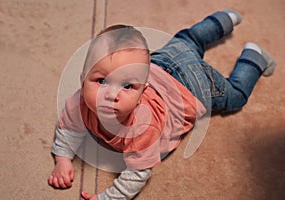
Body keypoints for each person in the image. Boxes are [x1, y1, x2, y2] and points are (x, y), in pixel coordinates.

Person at [48, 9, 276, 200]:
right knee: (188, 41)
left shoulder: (142, 129)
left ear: (142, 93)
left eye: (127, 86)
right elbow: (68, 129)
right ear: (82, 79)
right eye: (101, 81)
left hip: (192, 84)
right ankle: (223, 19)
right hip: (160, 62)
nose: (111, 94)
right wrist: (63, 159)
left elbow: (137, 174)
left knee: (234, 96)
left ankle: (254, 57)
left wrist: (108, 198)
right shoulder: (79, 103)